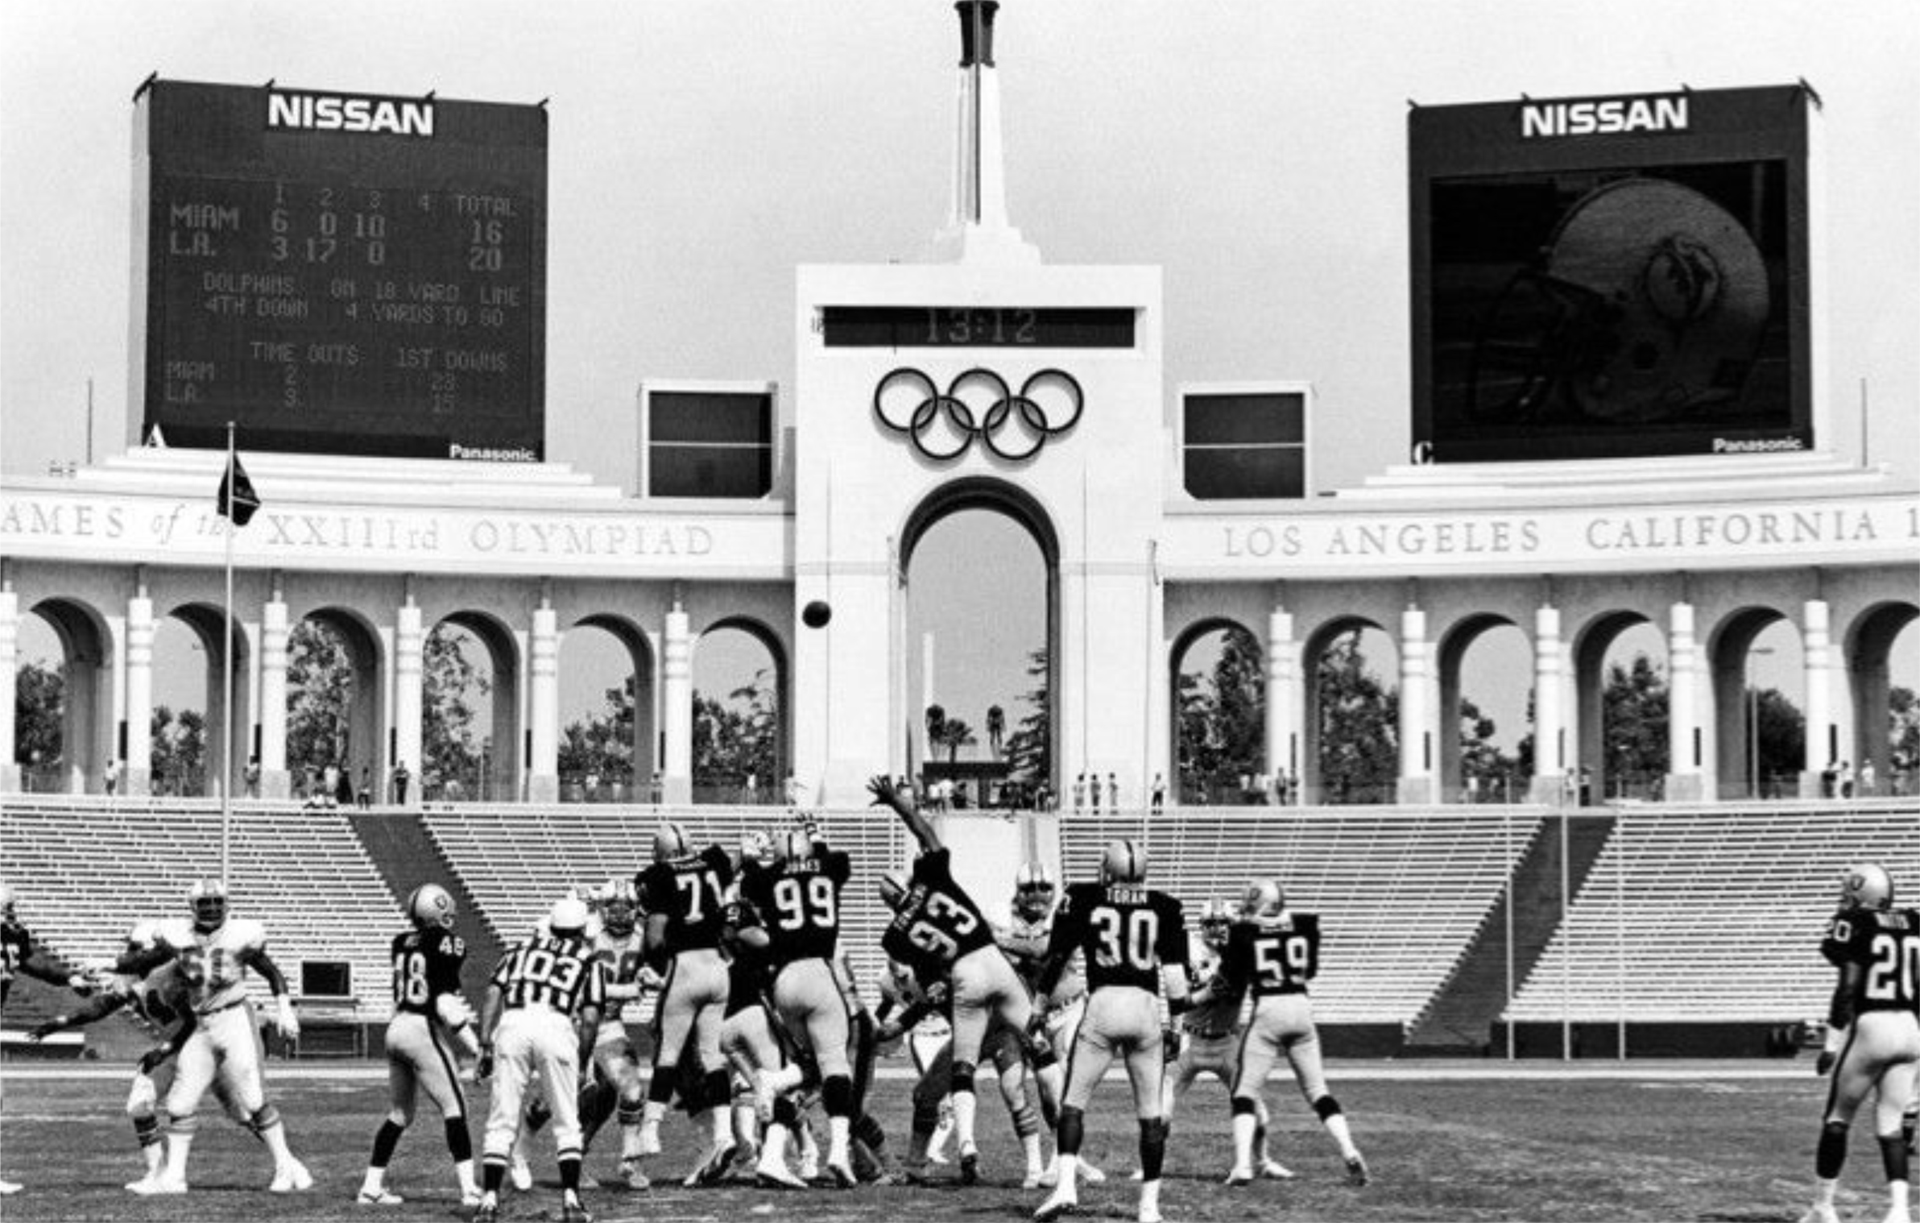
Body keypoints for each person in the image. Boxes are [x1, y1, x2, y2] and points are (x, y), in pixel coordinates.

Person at [870, 775, 1062, 1186]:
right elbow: (925, 832)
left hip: (966, 986)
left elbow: (926, 984)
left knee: (962, 1072)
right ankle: (1054, 1155)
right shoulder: (934, 878)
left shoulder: (895, 938)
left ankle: (966, 1147)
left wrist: (901, 1020)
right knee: (1037, 1057)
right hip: (996, 967)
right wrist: (897, 803)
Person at [29, 922, 259, 1192]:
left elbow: (191, 1023)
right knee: (140, 1103)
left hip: (197, 1045)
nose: (130, 954)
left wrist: (162, 1050)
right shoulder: (130, 979)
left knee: (243, 1111)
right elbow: (100, 1007)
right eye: (130, 948)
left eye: (136, 949)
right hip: (174, 1049)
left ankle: (285, 1161)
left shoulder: (174, 973)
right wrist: (58, 1023)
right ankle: (157, 1173)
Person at [116, 879, 310, 1196]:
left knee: (252, 1099)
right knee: (180, 1103)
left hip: (234, 1019)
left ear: (227, 905)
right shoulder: (177, 938)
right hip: (201, 1026)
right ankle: (173, 1179)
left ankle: (285, 1167)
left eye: (216, 903)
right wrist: (110, 966)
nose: (211, 909)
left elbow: (270, 970)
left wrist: (284, 1008)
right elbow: (142, 962)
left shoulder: (239, 935)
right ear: (192, 907)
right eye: (204, 904)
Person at [1032, 838, 1191, 1223]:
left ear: (1108, 868)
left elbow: (1056, 957)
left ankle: (1066, 1186)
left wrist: (1038, 1006)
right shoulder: (1166, 906)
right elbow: (1175, 977)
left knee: (1073, 1102)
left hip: (1103, 1004)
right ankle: (1149, 1209)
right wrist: (1177, 1027)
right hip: (1144, 1007)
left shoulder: (1083, 897)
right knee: (1150, 1114)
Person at [1192, 878, 1367, 1187]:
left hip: (1270, 1010)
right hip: (1302, 1009)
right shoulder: (1304, 924)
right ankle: (1349, 1150)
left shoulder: (1245, 933)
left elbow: (1230, 979)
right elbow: (1309, 970)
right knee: (1318, 1091)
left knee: (1245, 1092)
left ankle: (1244, 1165)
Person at [734, 822, 860, 1187]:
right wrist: (817, 839)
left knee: (803, 1070)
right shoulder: (830, 865)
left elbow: (749, 881)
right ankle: (838, 1150)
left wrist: (752, 857)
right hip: (820, 972)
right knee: (835, 1065)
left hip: (784, 981)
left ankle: (772, 1155)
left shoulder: (766, 877)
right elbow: (832, 860)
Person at [474, 893, 607, 1223]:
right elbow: (590, 1019)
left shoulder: (517, 951)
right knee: (567, 1120)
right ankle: (572, 1200)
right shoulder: (590, 961)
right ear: (580, 931)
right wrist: (583, 1060)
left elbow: (493, 992)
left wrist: (484, 1043)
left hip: (513, 1023)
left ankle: (488, 1200)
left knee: (501, 1118)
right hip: (555, 1025)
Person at [1801, 863, 1920, 1223]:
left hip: (1874, 1024)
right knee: (1891, 1125)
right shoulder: (1913, 920)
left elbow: (1848, 987)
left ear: (1860, 893)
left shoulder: (1854, 924)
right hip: (1911, 1028)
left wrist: (1831, 1043)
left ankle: (1823, 1207)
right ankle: (1899, 1212)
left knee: (1837, 1119)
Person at [359, 884, 483, 1206]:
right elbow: (443, 1001)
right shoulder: (448, 943)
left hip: (396, 1025)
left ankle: (370, 1187)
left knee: (400, 1113)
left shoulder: (401, 942)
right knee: (455, 1107)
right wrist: (474, 1045)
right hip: (419, 1026)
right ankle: (470, 1190)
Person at [1159, 899, 1292, 1183]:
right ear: (1201, 926)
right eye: (1210, 924)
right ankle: (1151, 1165)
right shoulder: (1187, 947)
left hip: (1227, 1041)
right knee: (1160, 1110)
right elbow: (1176, 994)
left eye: (1223, 923)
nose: (1217, 929)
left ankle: (1263, 1161)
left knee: (1255, 1107)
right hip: (1190, 1041)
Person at [634, 822, 737, 1183]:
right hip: (718, 967)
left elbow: (657, 936)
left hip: (686, 966)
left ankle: (650, 1129)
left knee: (668, 1054)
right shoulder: (713, 861)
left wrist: (655, 967)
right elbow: (728, 871)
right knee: (712, 1057)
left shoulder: (658, 875)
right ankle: (724, 1134)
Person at [1, 880, 98, 1194]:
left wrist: (67, 978)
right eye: (8, 907)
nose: (12, 913)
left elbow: (30, 964)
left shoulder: (15, 934)